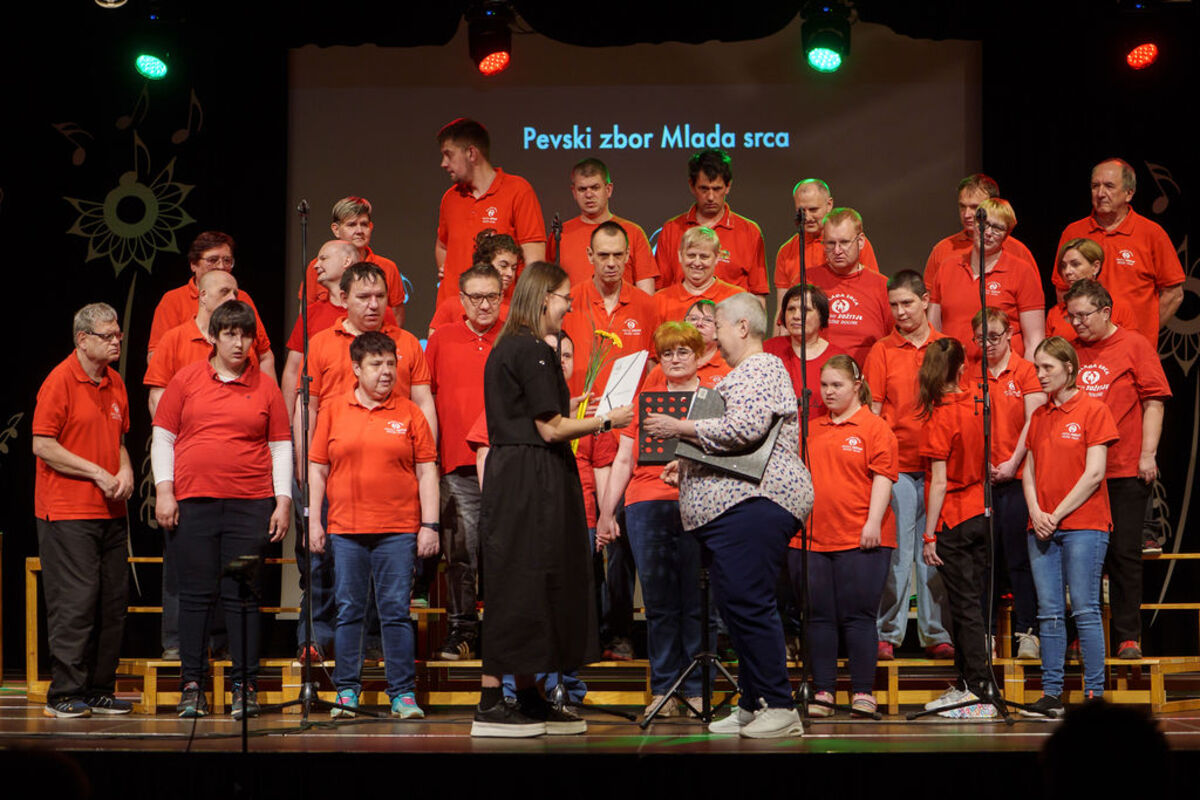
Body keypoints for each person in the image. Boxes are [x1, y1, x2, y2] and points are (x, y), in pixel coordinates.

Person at [471, 261, 634, 738]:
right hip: (530, 479)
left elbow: (532, 416)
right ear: (545, 298)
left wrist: (577, 411)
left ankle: (527, 695)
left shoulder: (510, 346)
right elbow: (550, 428)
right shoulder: (533, 349)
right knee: (519, 584)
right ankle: (491, 702)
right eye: (565, 298)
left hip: (523, 474)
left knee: (533, 582)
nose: (568, 307)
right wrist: (607, 420)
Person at [644, 293, 813, 738]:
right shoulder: (742, 374)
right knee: (736, 606)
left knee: (749, 602)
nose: (712, 335)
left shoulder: (762, 366)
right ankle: (753, 703)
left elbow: (745, 428)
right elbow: (734, 436)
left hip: (754, 503)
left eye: (717, 325)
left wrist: (679, 428)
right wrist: (687, 464)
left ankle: (780, 705)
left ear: (742, 326)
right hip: (734, 508)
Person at [152, 300, 292, 719]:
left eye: (246, 335)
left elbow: (280, 447)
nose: (238, 343)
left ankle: (244, 687)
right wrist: (164, 491)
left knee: (242, 596)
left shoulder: (265, 387)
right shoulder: (186, 379)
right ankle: (192, 686)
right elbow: (163, 438)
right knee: (195, 596)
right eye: (230, 334)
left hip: (250, 506)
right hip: (194, 503)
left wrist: (283, 501)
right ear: (212, 337)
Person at [307, 331, 440, 718]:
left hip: (397, 530)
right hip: (346, 529)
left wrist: (429, 525)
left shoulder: (409, 413)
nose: (386, 372)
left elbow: (427, 471)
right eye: (376, 364)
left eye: (391, 364)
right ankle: (347, 691)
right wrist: (314, 522)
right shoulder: (333, 410)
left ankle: (402, 694)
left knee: (395, 611)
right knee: (349, 610)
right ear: (356, 368)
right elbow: (317, 469)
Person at [597, 321, 725, 718]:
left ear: (699, 355)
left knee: (698, 602)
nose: (675, 359)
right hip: (647, 504)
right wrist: (607, 512)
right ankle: (666, 688)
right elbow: (623, 460)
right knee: (659, 603)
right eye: (667, 353)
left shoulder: (713, 400)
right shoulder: (646, 401)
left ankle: (698, 689)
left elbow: (726, 453)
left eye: (683, 352)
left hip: (699, 504)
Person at [32, 303, 134, 718]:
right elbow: (42, 444)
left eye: (118, 335)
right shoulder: (60, 380)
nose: (116, 342)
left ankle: (99, 688)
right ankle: (64, 693)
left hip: (111, 512)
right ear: (83, 339)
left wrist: (125, 470)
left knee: (112, 603)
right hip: (68, 511)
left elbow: (119, 440)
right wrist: (96, 472)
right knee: (76, 603)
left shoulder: (115, 382)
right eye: (108, 336)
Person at [1068, 279, 1171, 658]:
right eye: (1071, 316)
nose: (1077, 323)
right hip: (1079, 474)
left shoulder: (1134, 345)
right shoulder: (1070, 351)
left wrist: (1148, 454)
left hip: (1124, 468)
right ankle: (1084, 634)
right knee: (1082, 558)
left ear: (1105, 311)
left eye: (1083, 315)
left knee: (1124, 554)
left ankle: (1128, 635)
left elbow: (1154, 401)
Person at [1019, 336, 1119, 716]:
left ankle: (1094, 694)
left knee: (1085, 608)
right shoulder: (1039, 417)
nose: (1041, 374)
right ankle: (1052, 693)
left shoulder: (1093, 410)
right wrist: (1036, 512)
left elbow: (1094, 474)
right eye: (1037, 367)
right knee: (1049, 611)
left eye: (1048, 367)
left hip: (1084, 525)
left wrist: (1055, 514)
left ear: (1069, 368)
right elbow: (1028, 471)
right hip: (1042, 526)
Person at [793, 355, 897, 718]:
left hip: (861, 537)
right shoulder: (811, 428)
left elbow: (883, 476)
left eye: (836, 385)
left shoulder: (874, 427)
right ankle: (824, 691)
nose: (828, 392)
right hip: (812, 538)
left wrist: (872, 522)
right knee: (818, 616)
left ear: (856, 385)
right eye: (824, 385)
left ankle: (863, 692)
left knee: (858, 616)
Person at [862, 270, 954, 660]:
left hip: (938, 468)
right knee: (898, 556)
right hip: (897, 467)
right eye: (894, 305)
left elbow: (956, 406)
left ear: (925, 300)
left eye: (907, 303)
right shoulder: (882, 350)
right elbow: (873, 412)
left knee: (932, 554)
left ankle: (936, 633)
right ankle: (888, 633)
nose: (900, 312)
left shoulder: (945, 348)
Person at [424, 264, 505, 661]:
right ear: (461, 300)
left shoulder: (514, 336)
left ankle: (504, 632)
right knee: (461, 554)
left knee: (505, 550)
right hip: (457, 464)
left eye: (492, 296)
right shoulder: (442, 339)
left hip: (507, 464)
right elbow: (425, 398)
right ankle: (462, 631)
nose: (484, 305)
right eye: (476, 297)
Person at [917, 337, 994, 718]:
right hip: (981, 512)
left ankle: (978, 691)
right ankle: (966, 686)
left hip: (954, 517)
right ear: (962, 368)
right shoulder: (980, 403)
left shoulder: (939, 416)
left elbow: (939, 483)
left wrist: (929, 535)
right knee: (970, 606)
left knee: (964, 610)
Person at [969, 308, 1046, 660]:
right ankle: (985, 635)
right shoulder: (971, 373)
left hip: (1018, 477)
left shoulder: (1026, 370)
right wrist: (981, 461)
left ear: (1010, 334)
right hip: (982, 479)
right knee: (984, 561)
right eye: (980, 338)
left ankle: (1027, 632)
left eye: (994, 336)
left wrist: (1013, 461)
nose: (987, 344)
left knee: (1019, 558)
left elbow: (1034, 419)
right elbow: (966, 422)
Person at [1053, 158, 1185, 347]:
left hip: (1133, 349)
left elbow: (1174, 294)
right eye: (1095, 186)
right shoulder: (1073, 232)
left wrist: (1144, 334)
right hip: (1084, 349)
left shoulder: (1151, 233)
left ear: (1129, 193)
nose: (1100, 193)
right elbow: (1062, 289)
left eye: (1109, 186)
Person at [436, 117, 546, 306]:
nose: (444, 163)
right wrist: (446, 272)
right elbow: (442, 246)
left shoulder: (518, 191)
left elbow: (534, 263)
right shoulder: (450, 198)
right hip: (452, 313)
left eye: (449, 155)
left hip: (501, 313)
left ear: (471, 153)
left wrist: (523, 313)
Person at [148, 231, 276, 381]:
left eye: (227, 260)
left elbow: (264, 354)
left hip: (245, 387)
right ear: (194, 265)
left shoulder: (243, 298)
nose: (221, 266)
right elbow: (156, 358)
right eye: (213, 260)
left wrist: (270, 393)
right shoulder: (173, 300)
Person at [929, 198, 1045, 360]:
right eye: (984, 224)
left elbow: (1034, 340)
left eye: (998, 228)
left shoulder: (1021, 272)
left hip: (1003, 372)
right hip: (954, 370)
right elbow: (933, 333)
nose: (988, 232)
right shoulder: (947, 268)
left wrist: (1027, 375)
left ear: (1007, 235)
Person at [654, 149, 768, 302]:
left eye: (717, 189)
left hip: (732, 315)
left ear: (728, 186)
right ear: (692, 186)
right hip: (681, 315)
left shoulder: (749, 232)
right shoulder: (671, 229)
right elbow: (661, 290)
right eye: (704, 189)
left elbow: (758, 294)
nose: (710, 197)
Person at [561, 220, 658, 395]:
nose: (611, 263)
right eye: (603, 255)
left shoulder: (647, 306)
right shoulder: (568, 303)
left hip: (630, 411)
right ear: (590, 255)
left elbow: (653, 368)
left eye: (618, 255)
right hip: (580, 410)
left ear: (627, 255)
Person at [146, 269, 254, 417]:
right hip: (185, 428)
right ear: (203, 296)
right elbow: (157, 395)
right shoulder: (173, 339)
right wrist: (169, 430)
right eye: (224, 292)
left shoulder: (241, 345)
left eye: (235, 293)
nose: (232, 298)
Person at [774, 178, 880, 324]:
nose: (807, 217)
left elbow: (872, 292)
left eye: (813, 210)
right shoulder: (786, 251)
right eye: (801, 211)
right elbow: (782, 310)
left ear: (829, 205)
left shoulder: (854, 244)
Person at [549, 157, 657, 293]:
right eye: (582, 189)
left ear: (608, 189)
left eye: (595, 188)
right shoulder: (560, 235)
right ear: (574, 192)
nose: (589, 194)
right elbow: (546, 287)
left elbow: (646, 294)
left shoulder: (633, 233)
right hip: (572, 306)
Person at [300, 197, 407, 325]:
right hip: (326, 336)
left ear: (371, 227)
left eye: (364, 224)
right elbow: (305, 314)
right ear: (336, 229)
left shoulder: (387, 267)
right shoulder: (318, 266)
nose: (359, 231)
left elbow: (397, 317)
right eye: (351, 225)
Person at [806, 208, 891, 365]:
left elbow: (895, 343)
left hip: (866, 376)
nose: (837, 251)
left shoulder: (882, 287)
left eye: (844, 242)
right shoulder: (807, 281)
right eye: (830, 243)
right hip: (818, 375)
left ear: (861, 241)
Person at [924, 173, 1037, 289]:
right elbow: (929, 296)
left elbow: (1032, 296)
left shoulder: (1018, 251)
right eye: (962, 206)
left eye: (975, 207)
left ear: (993, 205)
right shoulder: (942, 250)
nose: (966, 214)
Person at [763, 283, 847, 419]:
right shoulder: (767, 350)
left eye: (805, 310)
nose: (796, 316)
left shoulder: (838, 358)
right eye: (791, 309)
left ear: (821, 315)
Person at [1045, 238, 1138, 341]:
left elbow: (1131, 346)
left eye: (1075, 264)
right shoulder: (1055, 313)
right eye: (1063, 266)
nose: (1067, 271)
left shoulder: (1120, 308)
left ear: (1095, 267)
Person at [427, 230, 519, 332]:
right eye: (503, 266)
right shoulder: (450, 307)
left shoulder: (516, 311)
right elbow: (435, 340)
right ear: (484, 264)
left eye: (514, 268)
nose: (510, 273)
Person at [654, 226, 745, 324]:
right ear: (680, 256)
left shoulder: (736, 298)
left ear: (717, 258)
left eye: (704, 257)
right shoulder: (659, 300)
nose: (697, 263)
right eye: (691, 255)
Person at [682, 299, 729, 382]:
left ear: (719, 328)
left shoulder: (730, 367)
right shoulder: (669, 364)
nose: (699, 323)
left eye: (708, 320)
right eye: (693, 319)